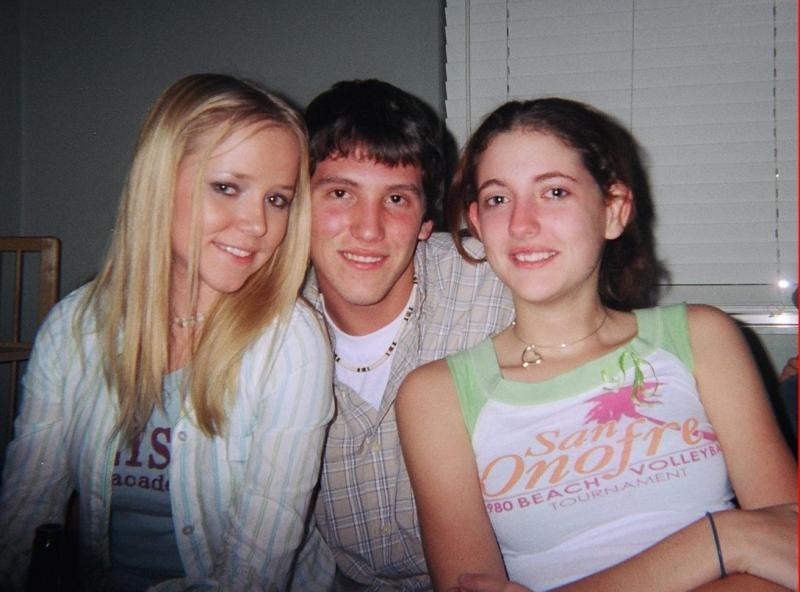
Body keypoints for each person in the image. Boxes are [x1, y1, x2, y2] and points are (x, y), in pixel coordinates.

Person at [397, 98, 798, 592]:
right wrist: (721, 541)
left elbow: (788, 545)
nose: (521, 224)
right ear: (478, 223)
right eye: (498, 199)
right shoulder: (436, 396)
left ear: (613, 211)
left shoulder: (701, 338)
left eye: (555, 192)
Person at [0, 73, 334, 591]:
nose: (257, 225)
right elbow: (26, 511)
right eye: (227, 187)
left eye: (277, 199)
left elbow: (253, 573)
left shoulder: (289, 345)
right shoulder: (74, 328)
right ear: (159, 180)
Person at [302, 79, 514, 590]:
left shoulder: (498, 287)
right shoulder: (264, 330)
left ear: (425, 221)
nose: (368, 229)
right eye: (340, 193)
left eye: (396, 198)